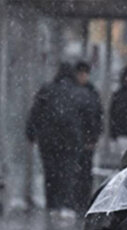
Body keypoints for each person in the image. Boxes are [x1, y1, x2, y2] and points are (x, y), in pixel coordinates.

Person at [26, 62, 95, 218]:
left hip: (48, 139)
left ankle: (52, 204)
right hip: (71, 139)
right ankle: (66, 205)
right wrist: (89, 137)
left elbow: (35, 113)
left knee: (51, 172)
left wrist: (31, 133)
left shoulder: (46, 90)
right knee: (68, 171)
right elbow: (89, 117)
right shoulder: (80, 92)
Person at [74, 61, 104, 215]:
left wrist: (93, 136)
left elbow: (97, 116)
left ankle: (83, 200)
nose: (83, 76)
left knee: (85, 171)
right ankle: (78, 201)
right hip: (76, 139)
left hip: (86, 139)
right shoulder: (84, 92)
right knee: (78, 171)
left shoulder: (91, 92)